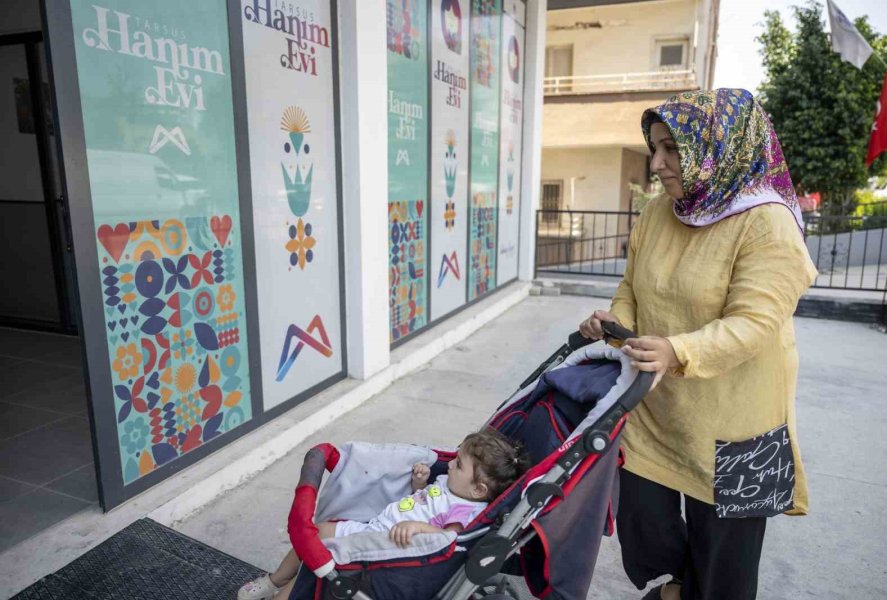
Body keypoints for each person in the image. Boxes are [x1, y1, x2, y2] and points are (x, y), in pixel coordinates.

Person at [579, 89, 817, 600]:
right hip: (658, 412)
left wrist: (677, 351)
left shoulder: (766, 222)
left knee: (724, 572)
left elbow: (755, 322)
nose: (657, 164)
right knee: (645, 530)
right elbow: (632, 288)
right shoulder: (659, 212)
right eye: (654, 149)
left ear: (717, 148)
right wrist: (613, 321)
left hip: (740, 426)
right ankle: (674, 586)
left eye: (672, 148)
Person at [237, 429, 529, 600]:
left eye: (459, 464)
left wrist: (418, 527)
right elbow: (422, 499)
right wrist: (419, 482)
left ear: (479, 490)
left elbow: (450, 539)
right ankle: (275, 579)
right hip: (375, 528)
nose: (450, 465)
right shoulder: (450, 484)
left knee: (318, 558)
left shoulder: (465, 511)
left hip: (382, 551)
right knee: (318, 530)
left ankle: (282, 593)